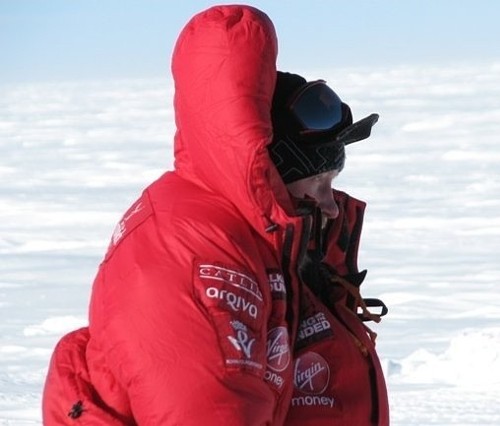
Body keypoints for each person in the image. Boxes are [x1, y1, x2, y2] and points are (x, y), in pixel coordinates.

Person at [42, 4, 388, 425]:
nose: (332, 205)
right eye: (316, 182)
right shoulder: (197, 258)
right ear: (268, 170)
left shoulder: (260, 234)